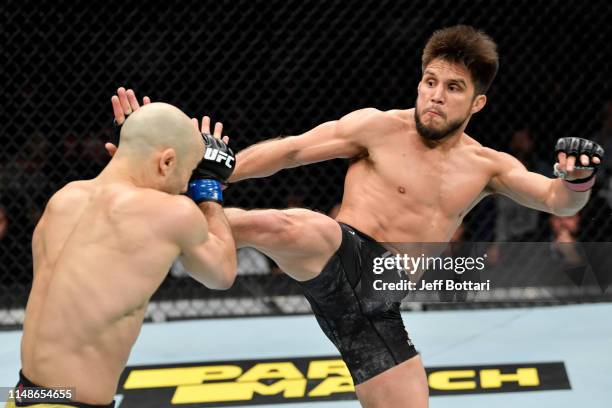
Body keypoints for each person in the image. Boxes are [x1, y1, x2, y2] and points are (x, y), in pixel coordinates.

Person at [118, 25, 605, 407]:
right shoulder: (376, 128)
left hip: (375, 307)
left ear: (476, 102)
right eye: (429, 81)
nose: (435, 95)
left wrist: (579, 179)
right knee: (299, 225)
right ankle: (173, 216)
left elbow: (557, 200)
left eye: (453, 88)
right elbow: (292, 150)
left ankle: (189, 215)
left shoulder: (487, 166)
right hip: (341, 255)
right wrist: (216, 173)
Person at [7, 98, 237, 407]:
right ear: (166, 162)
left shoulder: (64, 199)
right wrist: (208, 187)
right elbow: (221, 273)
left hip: (25, 395)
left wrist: (141, 136)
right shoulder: (170, 212)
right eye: (186, 175)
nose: (184, 188)